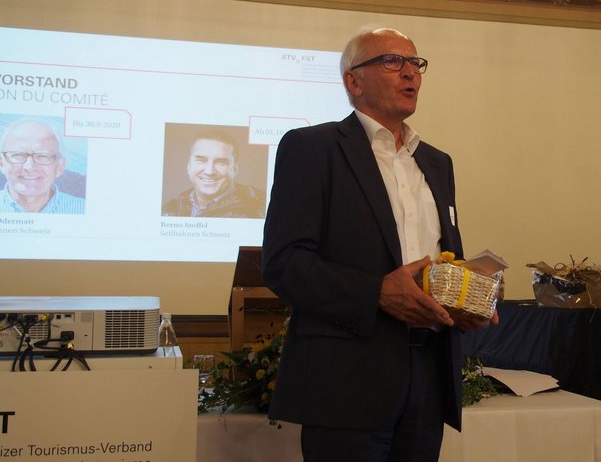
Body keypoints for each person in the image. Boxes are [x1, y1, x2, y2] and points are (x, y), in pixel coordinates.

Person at [262, 27, 498, 462]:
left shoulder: (437, 163)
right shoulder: (312, 149)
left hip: (429, 376)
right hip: (347, 380)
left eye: (416, 63)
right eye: (392, 61)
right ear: (353, 81)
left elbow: (441, 260)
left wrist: (468, 299)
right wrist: (377, 292)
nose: (410, 73)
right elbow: (284, 264)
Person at [162, 130, 266, 218]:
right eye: (201, 160)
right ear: (189, 166)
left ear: (234, 169)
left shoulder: (259, 211)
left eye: (220, 162)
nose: (209, 171)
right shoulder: (171, 210)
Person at [0, 119, 85, 214]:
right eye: (18, 155)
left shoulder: (83, 210)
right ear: (2, 163)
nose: (29, 167)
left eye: (42, 156)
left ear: (60, 167)